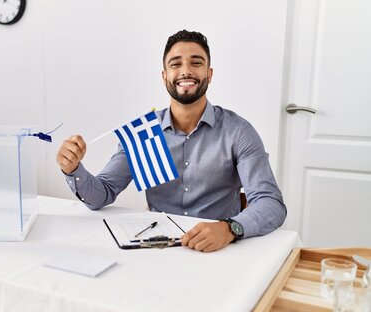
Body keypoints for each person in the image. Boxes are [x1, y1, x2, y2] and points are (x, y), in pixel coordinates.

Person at [56, 30, 286, 252]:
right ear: (165, 76)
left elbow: (270, 204)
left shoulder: (239, 132)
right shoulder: (144, 133)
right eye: (176, 64)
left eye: (196, 63)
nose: (186, 71)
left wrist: (229, 228)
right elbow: (101, 194)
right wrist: (73, 168)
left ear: (209, 74)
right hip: (158, 247)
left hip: (220, 250)